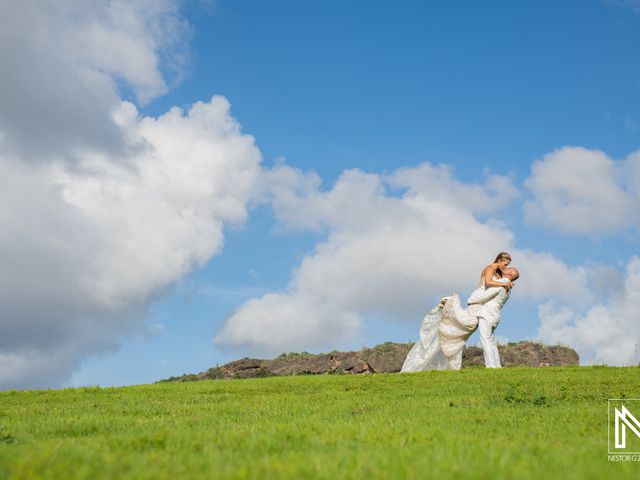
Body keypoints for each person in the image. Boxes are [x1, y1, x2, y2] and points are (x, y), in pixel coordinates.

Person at [400, 252, 519, 372]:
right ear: (499, 260)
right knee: (467, 326)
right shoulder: (490, 270)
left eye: (508, 266)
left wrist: (504, 282)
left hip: (482, 307)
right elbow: (488, 283)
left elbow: (492, 290)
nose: (506, 267)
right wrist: (504, 283)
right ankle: (448, 304)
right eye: (505, 264)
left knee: (472, 332)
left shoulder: (501, 279)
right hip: (480, 304)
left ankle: (493, 365)